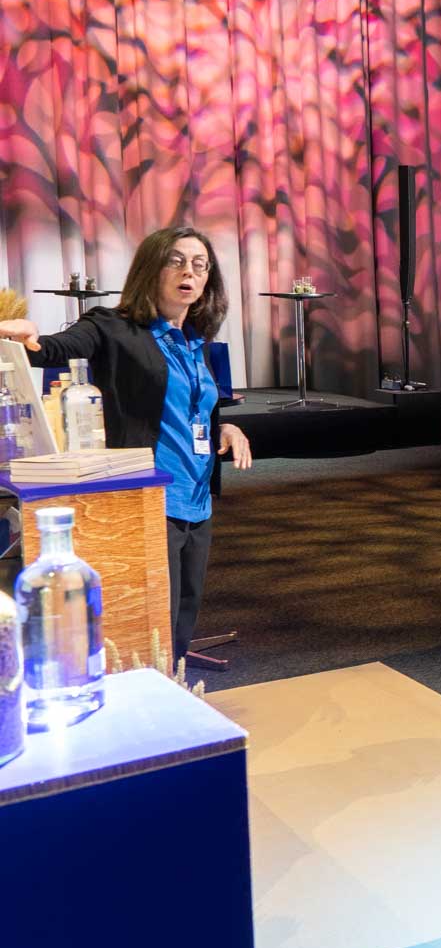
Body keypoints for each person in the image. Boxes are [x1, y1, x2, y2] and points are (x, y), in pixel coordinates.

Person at [0, 226, 254, 666]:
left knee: (184, 613)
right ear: (150, 268)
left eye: (200, 264)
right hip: (150, 497)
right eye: (175, 260)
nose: (188, 271)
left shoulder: (196, 341)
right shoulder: (112, 326)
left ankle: (174, 678)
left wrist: (225, 430)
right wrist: (29, 341)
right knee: (156, 615)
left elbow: (190, 408)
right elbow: (59, 349)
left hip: (197, 498)